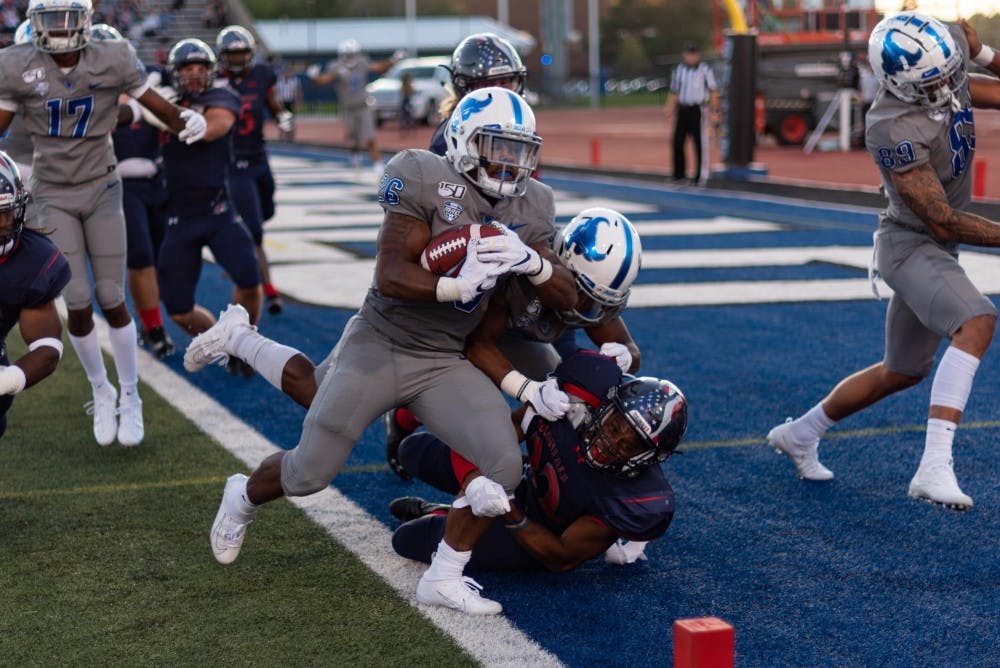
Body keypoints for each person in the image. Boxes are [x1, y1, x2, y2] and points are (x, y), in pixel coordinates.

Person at [188, 87, 577, 615]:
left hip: (444, 357)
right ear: (464, 141)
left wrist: (531, 261)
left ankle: (443, 576)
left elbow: (566, 297)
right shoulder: (421, 174)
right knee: (309, 475)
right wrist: (456, 288)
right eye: (496, 147)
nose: (509, 164)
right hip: (383, 340)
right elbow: (390, 274)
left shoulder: (535, 205)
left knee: (502, 463)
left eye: (518, 151)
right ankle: (242, 495)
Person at [767, 13, 1000, 511]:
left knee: (903, 370)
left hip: (936, 243)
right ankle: (933, 465)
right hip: (911, 244)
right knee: (978, 320)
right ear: (897, 81)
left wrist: (982, 57)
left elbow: (985, 87)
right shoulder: (891, 125)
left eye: (950, 72)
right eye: (933, 81)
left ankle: (799, 433)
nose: (946, 85)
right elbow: (940, 221)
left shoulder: (944, 50)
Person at [0, 0, 207, 447]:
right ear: (34, 24)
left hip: (102, 187)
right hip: (51, 191)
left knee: (111, 295)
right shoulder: (16, 63)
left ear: (85, 20)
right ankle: (101, 387)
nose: (57, 29)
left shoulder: (112, 54)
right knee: (75, 299)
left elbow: (149, 102)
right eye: (48, 19)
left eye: (65, 18)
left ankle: (130, 393)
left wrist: (182, 118)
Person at [384, 207, 645, 480]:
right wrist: (527, 390)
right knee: (466, 390)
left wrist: (626, 355)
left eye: (597, 299)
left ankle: (538, 461)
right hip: (475, 327)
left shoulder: (590, 296)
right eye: (581, 292)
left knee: (570, 390)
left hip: (538, 329)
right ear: (562, 263)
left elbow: (629, 346)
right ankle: (406, 419)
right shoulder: (525, 270)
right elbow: (478, 345)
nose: (587, 305)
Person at [390, 351, 687, 572]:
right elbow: (513, 426)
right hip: (524, 481)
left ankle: (442, 513)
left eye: (631, 444)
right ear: (605, 407)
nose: (612, 442)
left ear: (649, 458)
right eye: (615, 426)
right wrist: (484, 476)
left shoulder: (636, 499)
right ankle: (456, 510)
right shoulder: (576, 403)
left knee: (408, 540)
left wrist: (508, 509)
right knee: (414, 450)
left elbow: (560, 556)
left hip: (534, 534)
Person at [155, 38, 262, 356]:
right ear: (175, 72)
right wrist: (141, 103)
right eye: (188, 68)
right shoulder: (166, 98)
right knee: (177, 309)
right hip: (178, 216)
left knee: (248, 277)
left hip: (218, 212)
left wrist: (157, 110)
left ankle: (248, 343)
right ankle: (228, 343)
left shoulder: (223, 95)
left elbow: (213, 127)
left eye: (202, 68)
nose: (196, 74)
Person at [94, 24, 175, 359]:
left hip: (159, 180)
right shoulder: (85, 89)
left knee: (166, 258)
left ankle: (164, 317)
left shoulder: (151, 77)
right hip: (117, 183)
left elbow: (179, 110)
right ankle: (154, 326)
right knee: (140, 258)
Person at [216, 25, 294, 316]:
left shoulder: (261, 76)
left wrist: (283, 117)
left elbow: (273, 105)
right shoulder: (214, 81)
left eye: (241, 54)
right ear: (223, 56)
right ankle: (268, 288)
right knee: (255, 231)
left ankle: (243, 251)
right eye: (232, 54)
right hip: (233, 164)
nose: (236, 60)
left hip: (259, 159)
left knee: (266, 212)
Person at [0, 150, 71, 439]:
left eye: (6, 212)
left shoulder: (33, 260)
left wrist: (6, 380)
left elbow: (47, 348)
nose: (4, 224)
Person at [306, 39, 400, 177]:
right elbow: (323, 81)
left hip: (362, 105)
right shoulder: (336, 67)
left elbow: (379, 67)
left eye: (352, 54)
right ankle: (355, 155)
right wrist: (314, 76)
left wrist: (393, 60)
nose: (351, 57)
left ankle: (378, 165)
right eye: (348, 54)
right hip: (348, 108)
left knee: (370, 136)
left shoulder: (362, 63)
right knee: (352, 137)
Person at [429, 33, 527, 156]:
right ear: (463, 86)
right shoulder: (450, 136)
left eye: (506, 82)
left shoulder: (522, 125)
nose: (499, 92)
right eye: (488, 84)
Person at [664, 43, 719, 185]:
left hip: (697, 110)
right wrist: (669, 108)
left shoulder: (705, 70)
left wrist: (714, 111)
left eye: (693, 54)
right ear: (684, 55)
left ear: (698, 55)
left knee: (699, 143)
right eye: (689, 54)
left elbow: (713, 91)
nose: (691, 57)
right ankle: (678, 174)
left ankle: (699, 177)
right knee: (677, 142)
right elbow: (674, 91)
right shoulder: (679, 70)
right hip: (683, 109)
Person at [274, 66, 302, 142]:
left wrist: (297, 102)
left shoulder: (295, 80)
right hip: (281, 102)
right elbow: (275, 92)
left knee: (290, 120)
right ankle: (281, 137)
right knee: (282, 120)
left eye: (289, 72)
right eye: (286, 72)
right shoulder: (279, 81)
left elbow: (298, 92)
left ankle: (290, 139)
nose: (287, 74)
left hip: (290, 102)